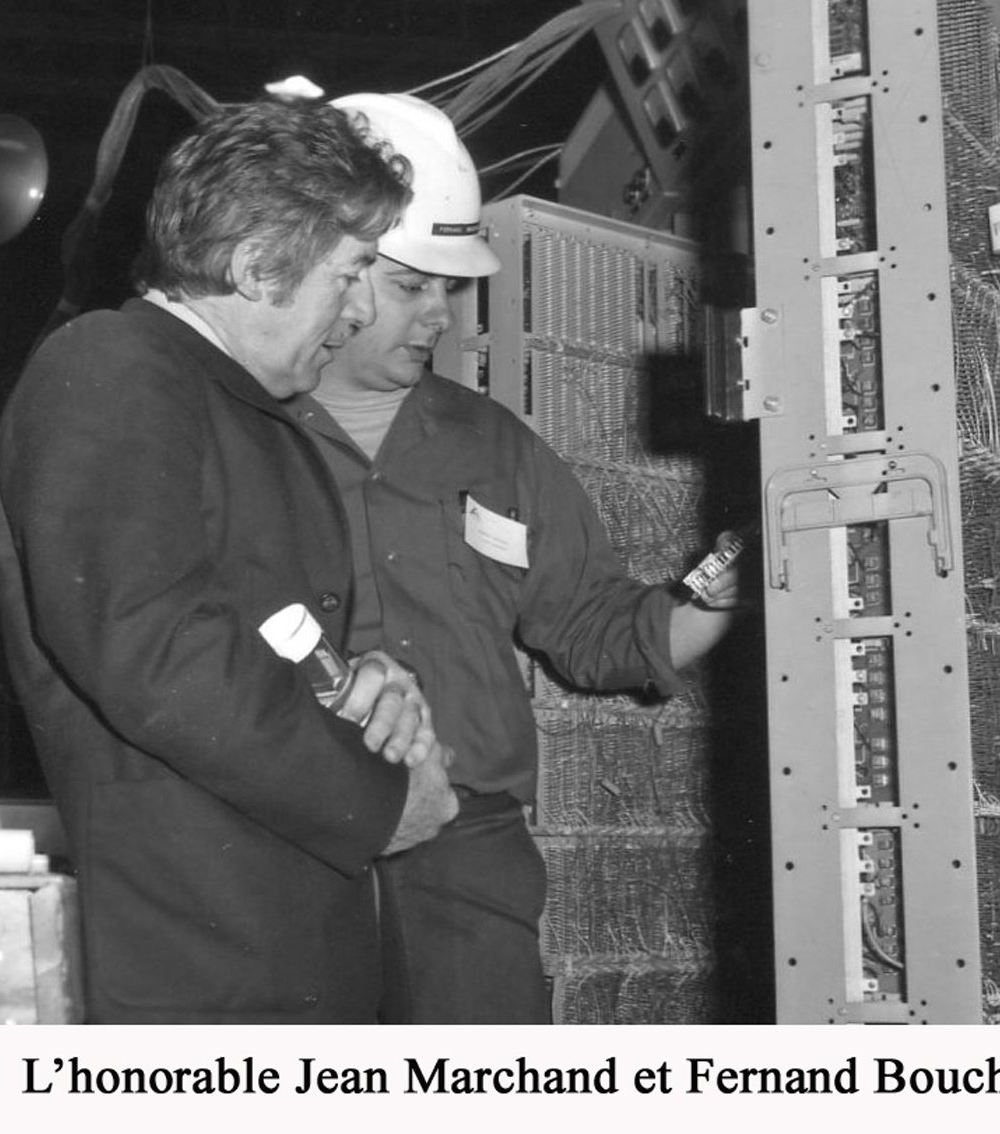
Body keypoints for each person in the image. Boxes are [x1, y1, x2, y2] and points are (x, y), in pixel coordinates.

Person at [0, 96, 459, 1024]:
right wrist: (374, 800)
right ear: (254, 266)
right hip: (201, 972)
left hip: (267, 951)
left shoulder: (224, 404)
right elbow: (151, 647)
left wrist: (358, 686)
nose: (362, 308)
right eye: (351, 273)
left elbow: (245, 632)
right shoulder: (114, 365)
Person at [293, 92, 742, 1023]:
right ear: (336, 270)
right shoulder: (244, 431)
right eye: (414, 287)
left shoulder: (493, 446)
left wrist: (720, 595)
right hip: (289, 831)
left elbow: (591, 625)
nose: (441, 314)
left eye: (450, 290)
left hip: (462, 844)